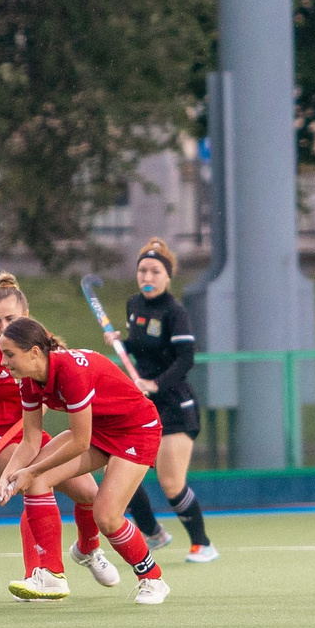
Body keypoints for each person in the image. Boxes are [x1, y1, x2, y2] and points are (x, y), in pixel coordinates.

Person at [0, 274, 119, 599]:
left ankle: (88, 549)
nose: (1, 326)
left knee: (88, 491)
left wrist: (36, 415)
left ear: (26, 315)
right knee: (29, 483)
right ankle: (37, 574)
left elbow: (49, 395)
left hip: (29, 432)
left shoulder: (36, 346)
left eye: (10, 319)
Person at [0, 316, 171, 605]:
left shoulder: (71, 373)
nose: (3, 362)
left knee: (107, 516)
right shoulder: (28, 381)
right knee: (35, 480)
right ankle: (51, 575)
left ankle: (152, 579)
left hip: (137, 430)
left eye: (9, 354)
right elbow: (29, 440)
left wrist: (30, 470)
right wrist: (8, 477)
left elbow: (79, 441)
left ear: (35, 352)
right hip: (100, 428)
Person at [123, 238, 218, 563]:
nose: (147, 277)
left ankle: (203, 543)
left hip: (175, 406)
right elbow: (141, 348)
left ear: (167, 276)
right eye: (142, 270)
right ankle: (153, 533)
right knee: (122, 472)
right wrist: (121, 343)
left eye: (154, 271)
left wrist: (155, 384)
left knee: (171, 484)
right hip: (142, 406)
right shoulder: (134, 305)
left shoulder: (174, 312)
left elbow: (185, 359)